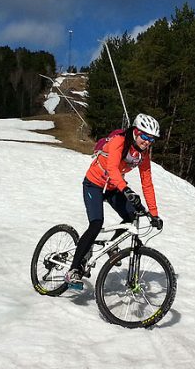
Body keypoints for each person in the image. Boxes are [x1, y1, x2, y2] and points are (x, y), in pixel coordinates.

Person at [65, 113, 164, 288]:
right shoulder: (119, 141)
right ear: (135, 131)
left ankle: (112, 245)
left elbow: (147, 183)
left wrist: (154, 214)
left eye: (152, 139)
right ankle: (73, 270)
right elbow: (112, 168)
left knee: (133, 214)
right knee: (96, 223)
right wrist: (125, 189)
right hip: (94, 185)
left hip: (112, 188)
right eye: (145, 136)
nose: (148, 142)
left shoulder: (143, 154)